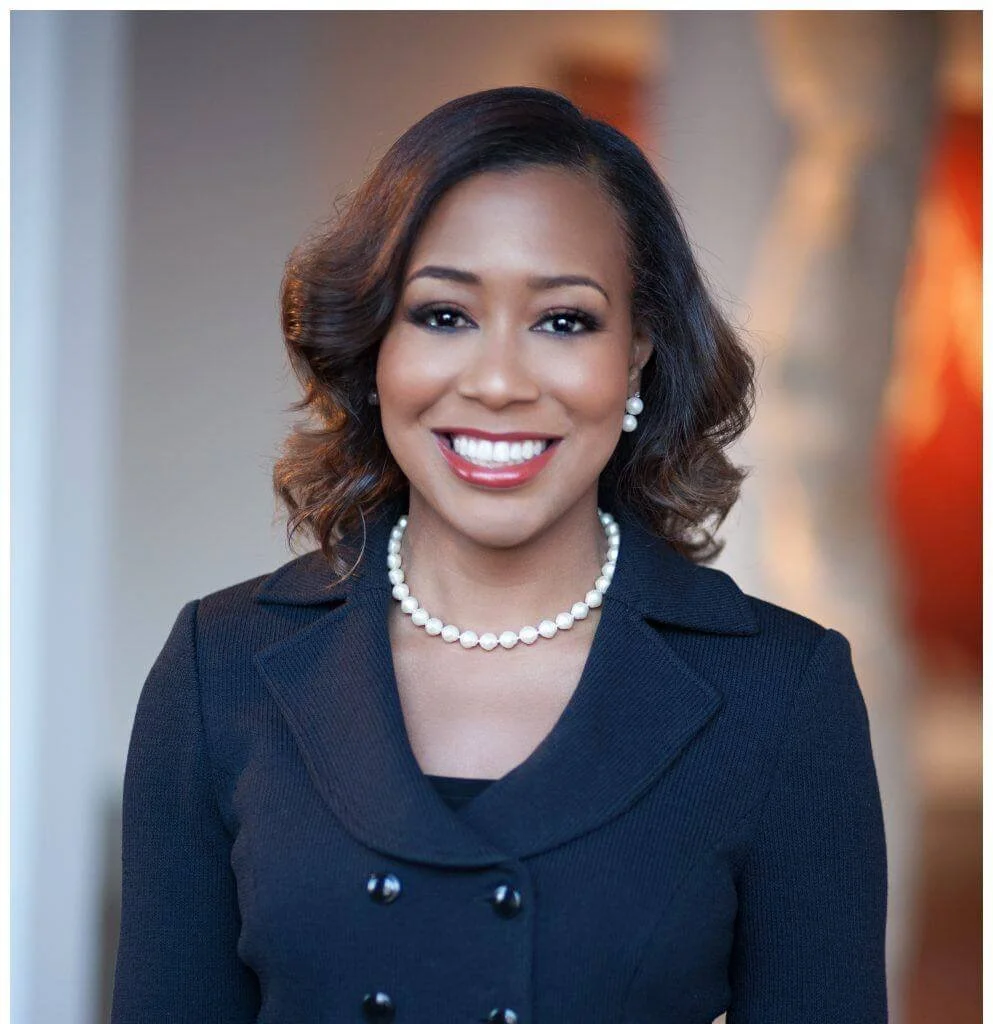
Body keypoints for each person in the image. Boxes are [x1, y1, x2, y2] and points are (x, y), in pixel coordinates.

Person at [110, 86, 888, 1024]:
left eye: (564, 321)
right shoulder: (217, 666)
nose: (497, 382)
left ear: (636, 350)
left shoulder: (782, 694)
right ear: (375, 347)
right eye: (443, 315)